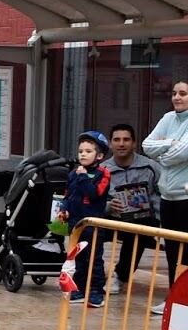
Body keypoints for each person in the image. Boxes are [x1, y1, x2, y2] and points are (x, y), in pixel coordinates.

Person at [102, 123, 163, 304]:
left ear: (134, 143)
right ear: (111, 144)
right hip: (111, 219)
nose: (121, 144)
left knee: (139, 229)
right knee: (88, 228)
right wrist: (108, 206)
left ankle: (120, 275)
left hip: (144, 221)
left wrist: (156, 212)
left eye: (126, 139)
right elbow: (90, 199)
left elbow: (165, 192)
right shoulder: (102, 170)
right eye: (117, 140)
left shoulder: (150, 167)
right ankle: (90, 276)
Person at [143, 80, 188, 314]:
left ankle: (185, 303)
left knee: (187, 253)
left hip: (186, 197)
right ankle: (173, 299)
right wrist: (170, 143)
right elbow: (147, 145)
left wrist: (165, 154)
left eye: (183, 93)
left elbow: (181, 153)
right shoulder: (168, 118)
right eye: (174, 93)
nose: (177, 98)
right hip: (167, 197)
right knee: (171, 252)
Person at [59, 130, 112, 310]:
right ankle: (79, 289)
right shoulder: (73, 173)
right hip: (75, 224)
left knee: (94, 259)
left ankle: (96, 290)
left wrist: (83, 177)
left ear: (100, 155)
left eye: (88, 151)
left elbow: (95, 193)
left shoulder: (103, 173)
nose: (83, 154)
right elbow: (68, 195)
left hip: (93, 224)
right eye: (81, 151)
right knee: (78, 258)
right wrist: (64, 209)